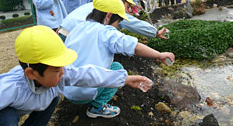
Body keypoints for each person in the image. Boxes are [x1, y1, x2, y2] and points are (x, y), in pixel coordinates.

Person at [0, 25, 149, 125]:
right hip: (6, 113)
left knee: (53, 98)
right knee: (8, 117)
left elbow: (88, 75)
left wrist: (126, 79)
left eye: (62, 67)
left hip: (38, 101)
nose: (63, 72)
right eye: (57, 70)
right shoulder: (10, 88)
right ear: (31, 73)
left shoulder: (60, 75)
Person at [63, 0, 175, 118]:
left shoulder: (78, 27)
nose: (117, 26)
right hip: (84, 93)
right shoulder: (106, 32)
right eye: (118, 22)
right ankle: (97, 107)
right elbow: (135, 47)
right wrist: (159, 55)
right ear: (108, 16)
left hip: (66, 86)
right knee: (117, 68)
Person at [59, 0, 166, 42]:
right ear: (120, 1)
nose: (128, 11)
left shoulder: (99, 3)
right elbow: (133, 23)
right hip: (72, 36)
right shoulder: (113, 8)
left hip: (63, 31)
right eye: (128, 6)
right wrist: (154, 32)